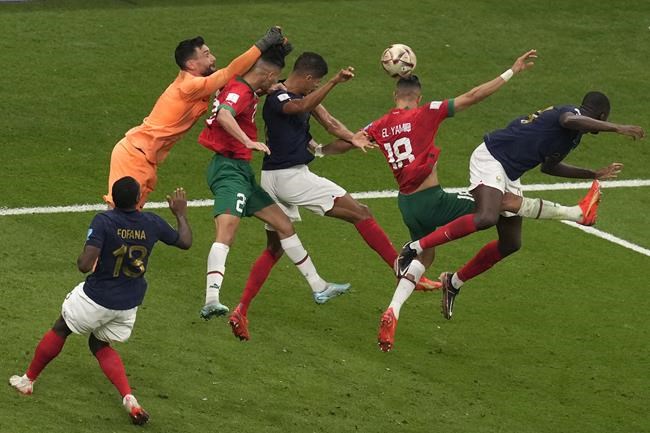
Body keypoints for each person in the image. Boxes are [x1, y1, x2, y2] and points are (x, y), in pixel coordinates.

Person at [362, 50, 612, 351]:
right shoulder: (426, 111)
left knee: (504, 243)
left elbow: (350, 139)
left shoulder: (380, 124)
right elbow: (473, 96)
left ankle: (401, 306)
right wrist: (511, 71)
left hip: (408, 204)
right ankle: (577, 213)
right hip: (455, 184)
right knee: (491, 211)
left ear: (395, 94)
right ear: (419, 95)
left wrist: (323, 146)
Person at [223, 52, 439, 341]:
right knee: (361, 213)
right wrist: (335, 82)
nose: (317, 86)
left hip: (273, 177)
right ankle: (400, 269)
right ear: (308, 78)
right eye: (317, 82)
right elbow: (301, 106)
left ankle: (241, 310)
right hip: (291, 178)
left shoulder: (300, 95)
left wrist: (353, 137)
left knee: (274, 248)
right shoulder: (279, 97)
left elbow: (329, 122)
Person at [395, 90, 645, 323]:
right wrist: (617, 128)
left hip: (509, 172)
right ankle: (415, 247)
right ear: (601, 116)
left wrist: (593, 173)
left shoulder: (573, 137)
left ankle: (453, 282)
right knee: (486, 217)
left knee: (511, 243)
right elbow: (569, 120)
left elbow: (549, 167)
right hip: (491, 157)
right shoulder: (571, 114)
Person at [9, 177, 192, 425]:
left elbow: (84, 265)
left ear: (113, 199)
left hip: (96, 298)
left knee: (61, 328)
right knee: (99, 343)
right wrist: (180, 214)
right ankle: (128, 397)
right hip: (127, 305)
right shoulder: (152, 222)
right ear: (139, 199)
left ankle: (27, 380)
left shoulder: (104, 221)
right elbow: (185, 242)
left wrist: (87, 253)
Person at [197, 45, 350, 324]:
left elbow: (255, 87)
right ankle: (211, 299)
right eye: (274, 78)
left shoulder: (246, 86)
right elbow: (224, 115)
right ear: (267, 75)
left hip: (243, 171)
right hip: (228, 170)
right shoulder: (240, 91)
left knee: (284, 225)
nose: (277, 84)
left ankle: (319, 287)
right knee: (227, 231)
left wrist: (275, 51)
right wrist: (248, 141)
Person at [103, 27, 287, 209]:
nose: (213, 58)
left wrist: (266, 88)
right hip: (134, 156)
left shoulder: (196, 84)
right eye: (206, 55)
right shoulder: (190, 87)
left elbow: (238, 90)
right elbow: (230, 72)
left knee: (128, 217)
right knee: (118, 217)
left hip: (144, 158)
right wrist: (264, 43)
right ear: (191, 64)